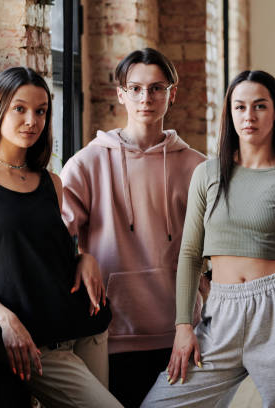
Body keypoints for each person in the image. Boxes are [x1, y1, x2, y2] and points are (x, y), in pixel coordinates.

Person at [142, 70, 275, 408]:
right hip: (220, 312)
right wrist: (184, 325)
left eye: (259, 106)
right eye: (240, 107)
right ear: (229, 113)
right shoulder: (207, 174)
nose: (249, 116)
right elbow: (189, 255)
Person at [0, 66, 122, 408]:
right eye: (20, 109)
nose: (32, 121)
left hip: (88, 327)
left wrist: (84, 257)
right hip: (36, 344)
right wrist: (6, 319)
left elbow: (52, 251)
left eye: (41, 111)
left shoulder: (51, 181)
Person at [60, 48, 206, 407]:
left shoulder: (197, 167)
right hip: (111, 331)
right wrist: (78, 255)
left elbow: (218, 247)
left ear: (172, 93)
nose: (146, 98)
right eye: (136, 88)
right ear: (120, 94)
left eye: (157, 88)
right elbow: (54, 236)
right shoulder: (86, 163)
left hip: (181, 330)